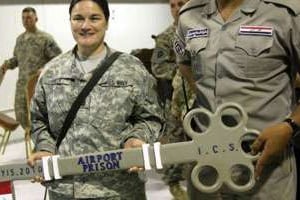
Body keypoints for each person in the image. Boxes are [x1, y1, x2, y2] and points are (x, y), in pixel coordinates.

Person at [27, 0, 164, 199]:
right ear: (70, 22)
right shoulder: (52, 72)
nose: (85, 26)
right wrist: (45, 148)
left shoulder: (131, 69)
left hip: (119, 188)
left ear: (106, 22)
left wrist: (137, 138)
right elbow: (39, 119)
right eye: (78, 18)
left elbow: (151, 117)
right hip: (66, 189)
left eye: (94, 18)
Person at [174, 0, 300, 199]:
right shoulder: (189, 15)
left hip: (263, 164)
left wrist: (290, 126)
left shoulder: (287, 13)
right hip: (206, 165)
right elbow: (185, 64)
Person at [151, 0, 194, 200]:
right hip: (175, 98)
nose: (177, 9)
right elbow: (158, 68)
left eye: (182, 3)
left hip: (200, 96)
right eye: (173, 5)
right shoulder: (166, 36)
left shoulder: (201, 30)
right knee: (174, 140)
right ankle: (174, 183)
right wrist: (180, 72)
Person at [0, 7, 62, 130]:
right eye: (23, 18)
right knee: (21, 116)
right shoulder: (20, 39)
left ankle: (40, 144)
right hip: (21, 87)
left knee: (39, 118)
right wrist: (6, 65)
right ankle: (30, 140)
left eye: (28, 17)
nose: (25, 20)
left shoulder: (45, 38)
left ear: (36, 19)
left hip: (37, 87)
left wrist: (44, 69)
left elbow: (58, 59)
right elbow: (17, 59)